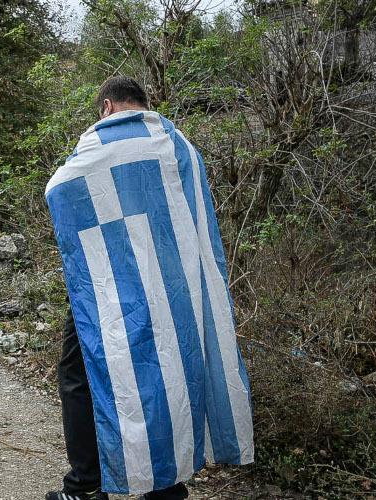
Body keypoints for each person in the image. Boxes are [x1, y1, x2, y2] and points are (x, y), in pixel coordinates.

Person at [44, 77, 254, 499]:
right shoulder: (179, 145)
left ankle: (85, 486)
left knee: (80, 373)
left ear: (106, 107)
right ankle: (165, 487)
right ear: (143, 103)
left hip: (111, 287)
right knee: (167, 374)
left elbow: (60, 189)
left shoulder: (101, 145)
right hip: (177, 291)